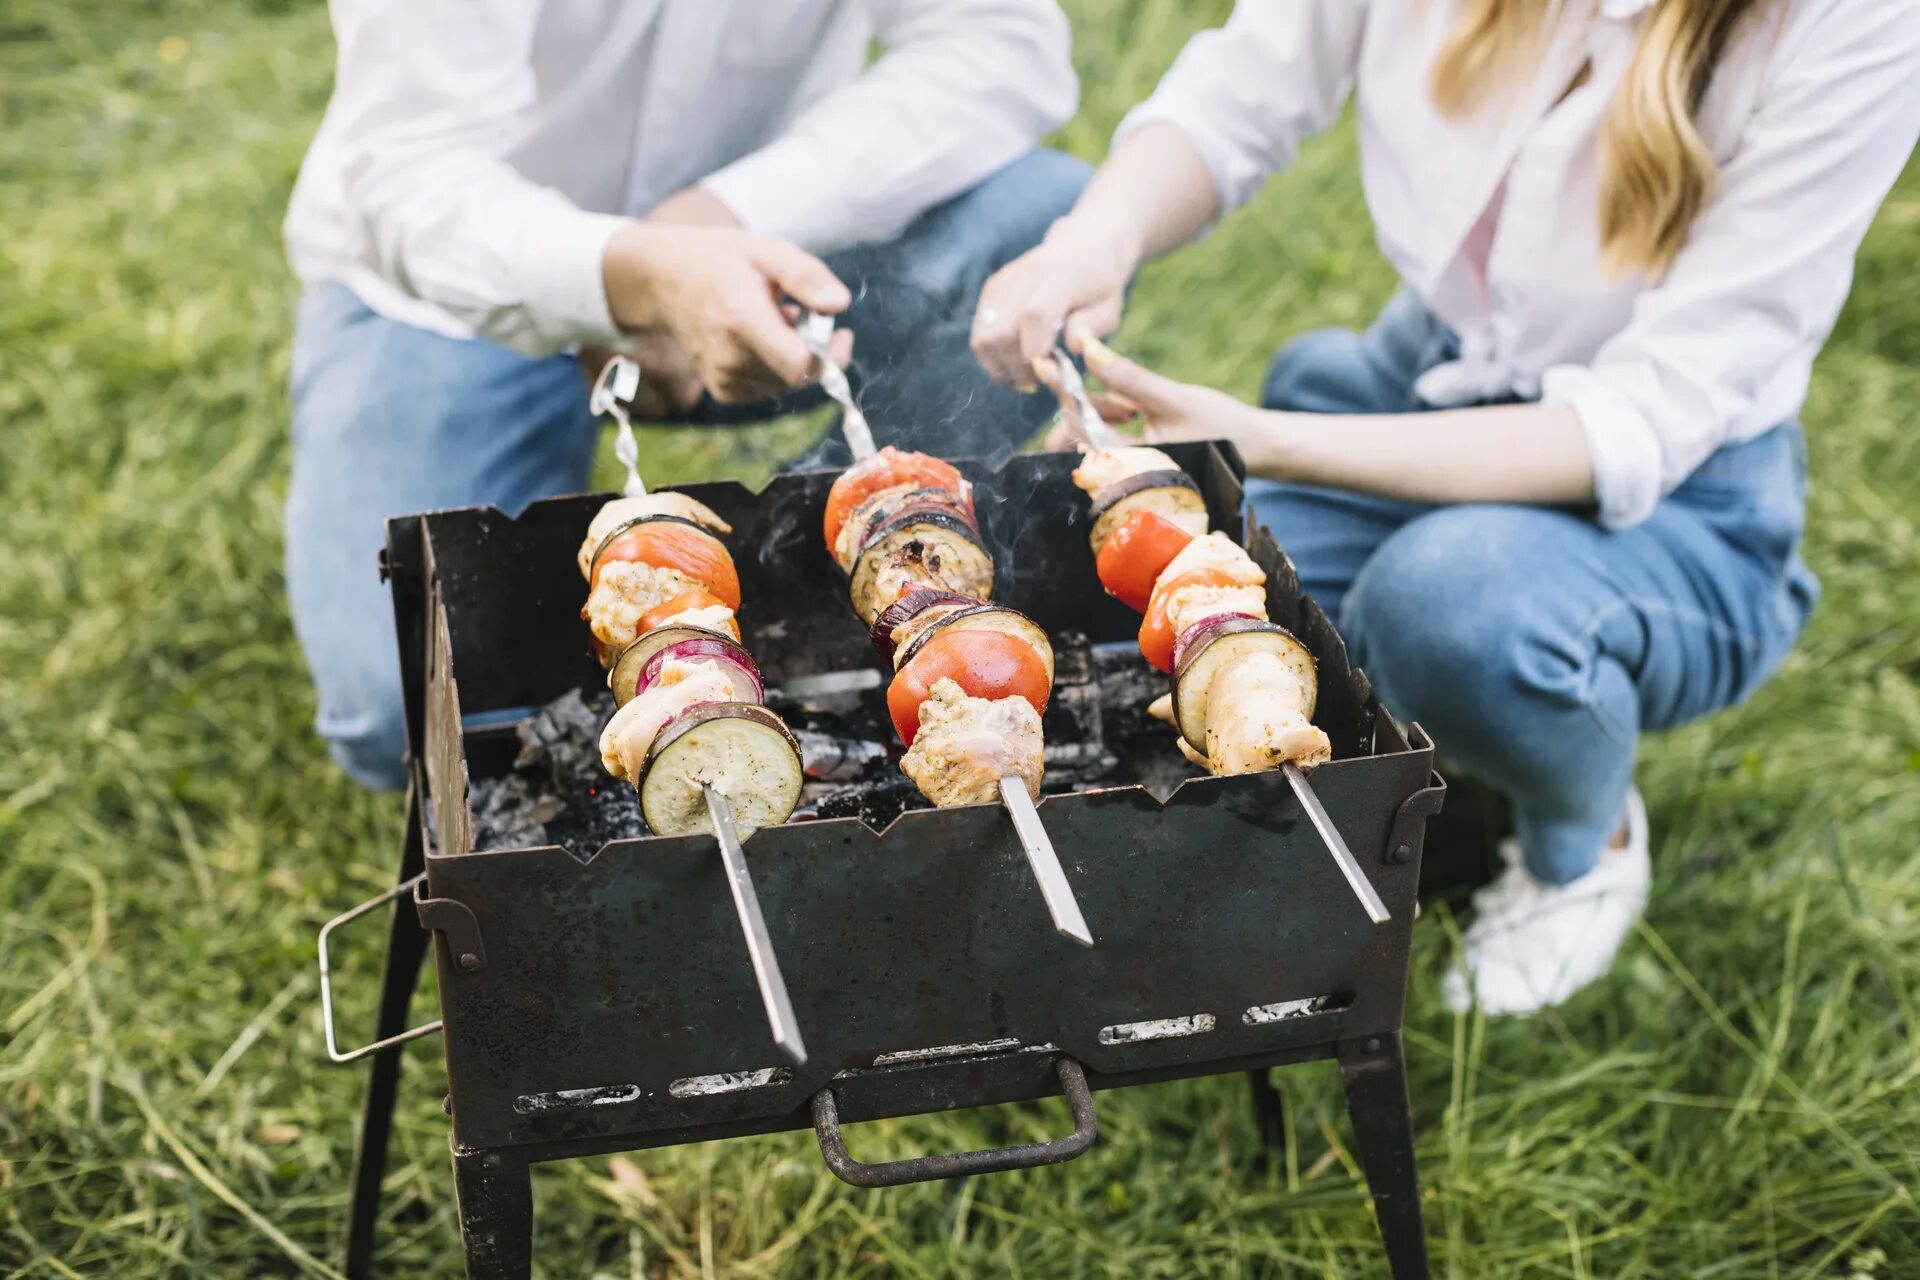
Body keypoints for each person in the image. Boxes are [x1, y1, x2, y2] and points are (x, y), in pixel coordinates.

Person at [973, 0, 1920, 1014]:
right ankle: (1420, 754)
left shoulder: (1858, 21)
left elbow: (1644, 418)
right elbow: (1245, 88)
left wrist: (1264, 436)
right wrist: (1096, 238)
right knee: (1205, 604)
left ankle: (1582, 845)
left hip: (1681, 495)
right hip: (1427, 378)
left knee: (1444, 609)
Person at [284, 0, 1090, 790]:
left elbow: (997, 42)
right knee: (398, 710)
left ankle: (834, 559)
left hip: (773, 259)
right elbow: (406, 171)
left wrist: (718, 216)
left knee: (1048, 226)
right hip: (454, 295)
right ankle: (675, 641)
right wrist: (629, 275)